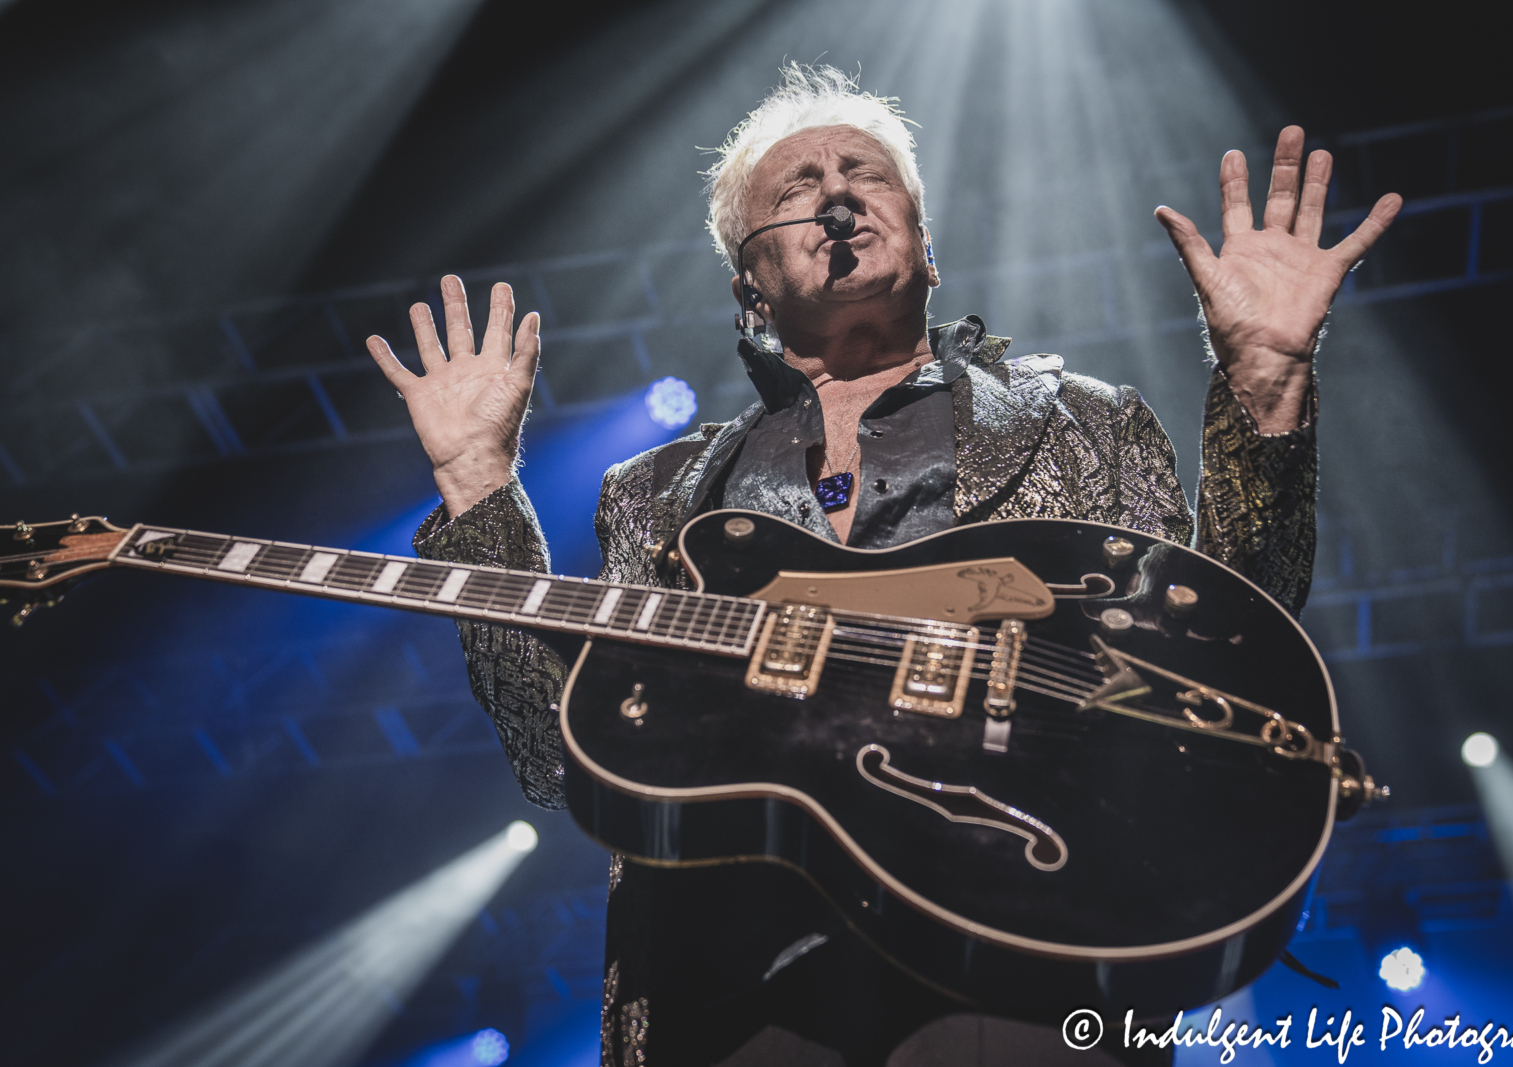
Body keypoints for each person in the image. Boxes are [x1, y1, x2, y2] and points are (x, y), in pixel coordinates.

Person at [366, 65, 1400, 1067]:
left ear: (927, 243)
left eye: (864, 175)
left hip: (1022, 941)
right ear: (750, 285)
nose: (835, 197)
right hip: (726, 978)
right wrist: (477, 486)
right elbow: (563, 753)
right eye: (795, 189)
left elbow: (1223, 640)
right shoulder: (659, 494)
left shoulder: (1083, 422)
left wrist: (1263, 393)